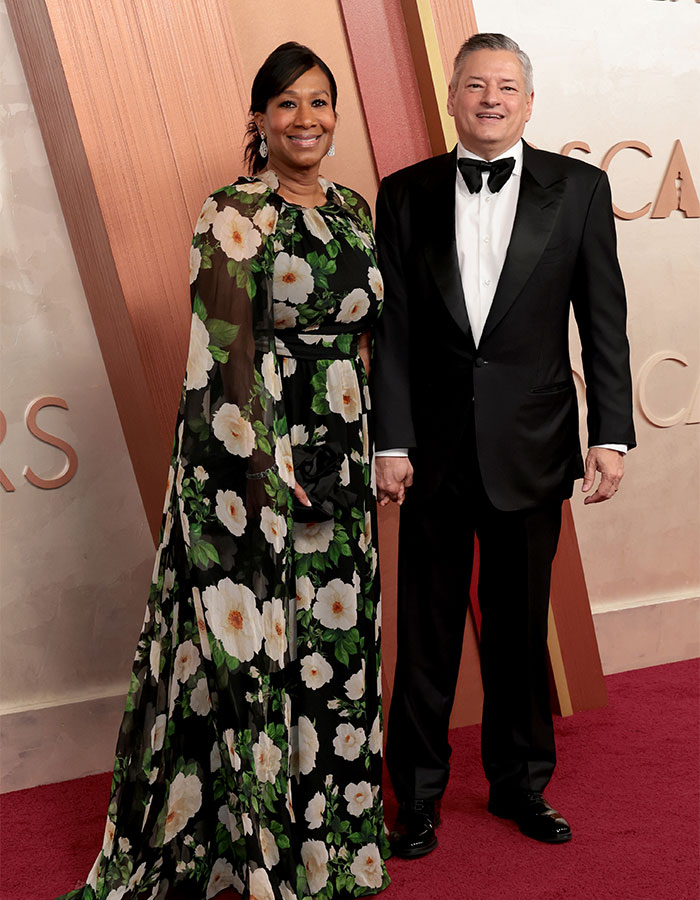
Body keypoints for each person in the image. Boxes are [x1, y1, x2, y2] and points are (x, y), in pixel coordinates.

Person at [56, 42, 390, 900]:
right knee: (268, 659)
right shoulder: (232, 212)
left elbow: (369, 341)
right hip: (258, 475)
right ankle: (268, 854)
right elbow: (226, 357)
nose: (305, 119)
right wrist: (273, 472)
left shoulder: (354, 209)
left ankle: (335, 846)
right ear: (258, 118)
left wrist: (374, 448)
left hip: (342, 459)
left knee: (337, 646)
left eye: (319, 103)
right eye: (286, 104)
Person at [371, 32, 635, 856]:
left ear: (529, 101)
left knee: (521, 634)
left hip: (533, 447)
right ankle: (414, 798)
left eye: (507, 86)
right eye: (476, 85)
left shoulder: (581, 188)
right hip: (433, 457)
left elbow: (603, 322)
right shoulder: (404, 191)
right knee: (426, 636)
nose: (491, 99)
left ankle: (521, 787)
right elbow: (396, 332)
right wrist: (392, 441)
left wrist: (612, 435)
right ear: (452, 97)